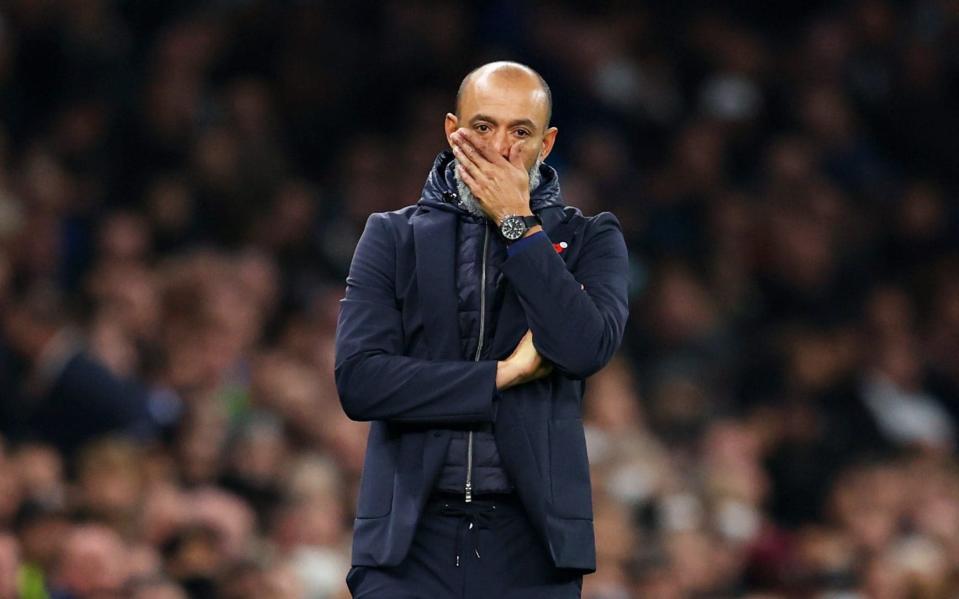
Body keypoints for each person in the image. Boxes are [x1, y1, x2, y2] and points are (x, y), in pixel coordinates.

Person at [334, 61, 629, 598]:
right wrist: (500, 375)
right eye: (484, 126)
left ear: (547, 143)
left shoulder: (591, 239)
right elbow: (361, 381)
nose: (499, 148)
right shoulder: (391, 237)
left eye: (521, 132)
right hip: (407, 544)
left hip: (533, 548)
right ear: (453, 131)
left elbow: (585, 348)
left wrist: (518, 221)